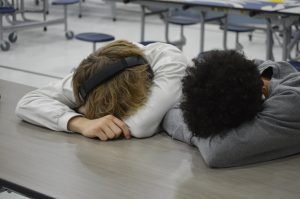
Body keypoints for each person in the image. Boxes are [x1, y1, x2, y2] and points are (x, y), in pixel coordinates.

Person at [16, 40, 188, 141]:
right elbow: (27, 103)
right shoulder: (93, 75)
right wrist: (80, 123)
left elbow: (140, 126)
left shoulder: (171, 62)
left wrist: (77, 110)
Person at [163, 49, 300, 168]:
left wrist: (196, 134)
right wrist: (198, 130)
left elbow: (217, 152)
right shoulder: (254, 73)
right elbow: (170, 114)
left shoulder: (292, 105)